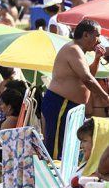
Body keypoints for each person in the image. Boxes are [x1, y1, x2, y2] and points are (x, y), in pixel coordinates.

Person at [43, 19, 109, 159]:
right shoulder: (73, 49)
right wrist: (106, 97)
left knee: (67, 146)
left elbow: (89, 75)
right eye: (97, 35)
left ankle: (63, 178)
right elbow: (87, 79)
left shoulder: (79, 51)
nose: (99, 41)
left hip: (68, 105)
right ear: (86, 35)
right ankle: (54, 178)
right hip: (60, 103)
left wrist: (97, 59)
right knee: (57, 149)